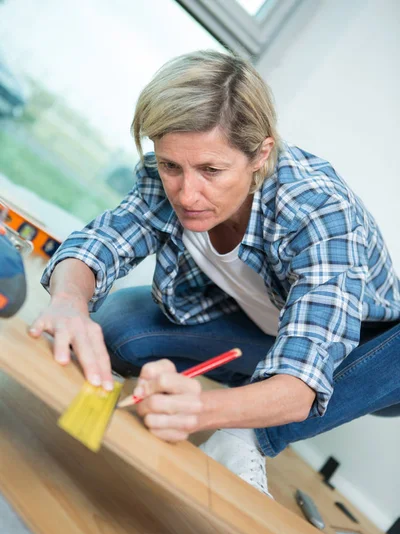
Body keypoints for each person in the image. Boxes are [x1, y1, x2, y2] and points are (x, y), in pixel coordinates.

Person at [30, 50, 400, 498]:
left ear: (260, 153)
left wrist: (205, 411)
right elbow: (102, 243)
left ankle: (247, 436)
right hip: (259, 330)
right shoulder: (164, 176)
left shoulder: (318, 209)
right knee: (114, 329)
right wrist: (69, 302)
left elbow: (303, 381)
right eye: (171, 167)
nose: (187, 194)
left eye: (211, 170)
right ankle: (251, 395)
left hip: (367, 356)